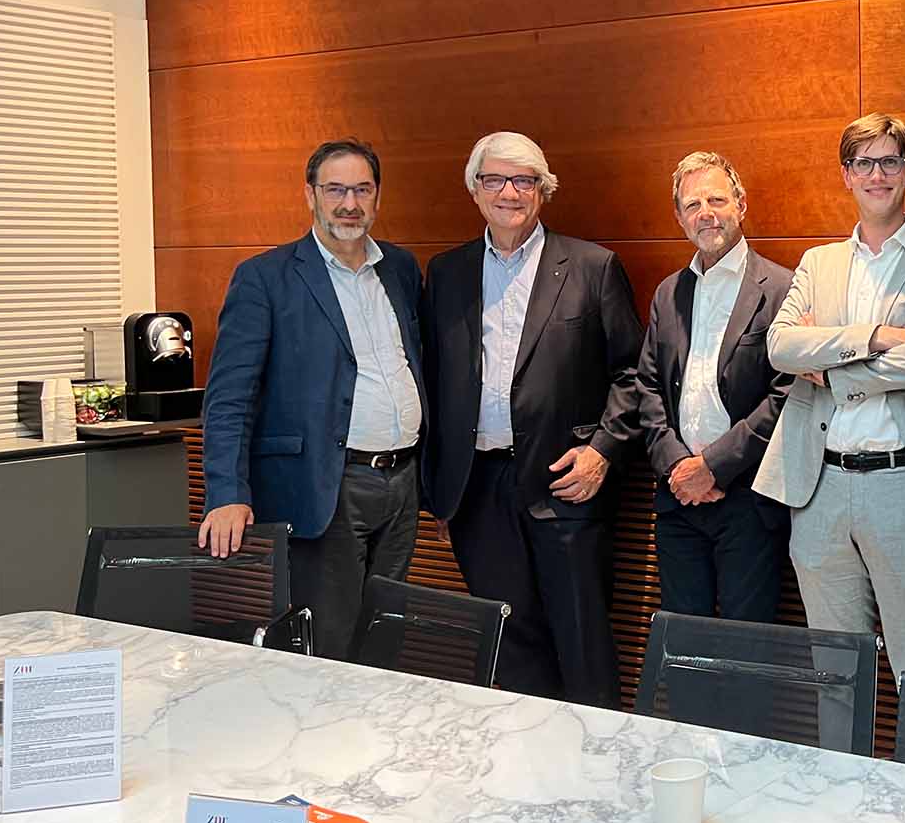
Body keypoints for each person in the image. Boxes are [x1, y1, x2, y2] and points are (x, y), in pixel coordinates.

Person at [421, 132, 642, 705]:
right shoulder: (446, 273)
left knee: (583, 642)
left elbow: (632, 374)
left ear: (543, 191)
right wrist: (440, 490)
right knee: (511, 644)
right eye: (495, 179)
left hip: (565, 483)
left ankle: (597, 756)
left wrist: (602, 451)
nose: (509, 192)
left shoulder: (592, 267)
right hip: (478, 493)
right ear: (475, 190)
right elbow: (433, 381)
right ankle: (532, 753)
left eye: (524, 180)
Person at [198, 138, 427, 660]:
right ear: (310, 195)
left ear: (378, 196)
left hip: (402, 483)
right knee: (328, 646)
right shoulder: (265, 278)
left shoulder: (399, 268)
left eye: (362, 190)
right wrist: (226, 492)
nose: (350, 203)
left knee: (387, 640)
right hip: (324, 485)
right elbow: (230, 397)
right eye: (335, 190)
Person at [755, 114, 905, 686]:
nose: (876, 175)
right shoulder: (818, 262)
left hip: (904, 486)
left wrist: (831, 366)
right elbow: (780, 346)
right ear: (846, 175)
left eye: (889, 161)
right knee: (835, 673)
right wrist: (876, 336)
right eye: (863, 163)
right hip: (819, 487)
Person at [637, 151, 793, 620]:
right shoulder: (669, 292)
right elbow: (647, 387)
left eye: (716, 200)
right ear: (679, 217)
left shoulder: (781, 288)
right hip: (678, 497)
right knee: (681, 640)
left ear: (740, 205)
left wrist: (714, 466)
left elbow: (787, 393)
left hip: (748, 499)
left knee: (746, 643)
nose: (705, 213)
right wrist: (678, 467)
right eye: (692, 204)